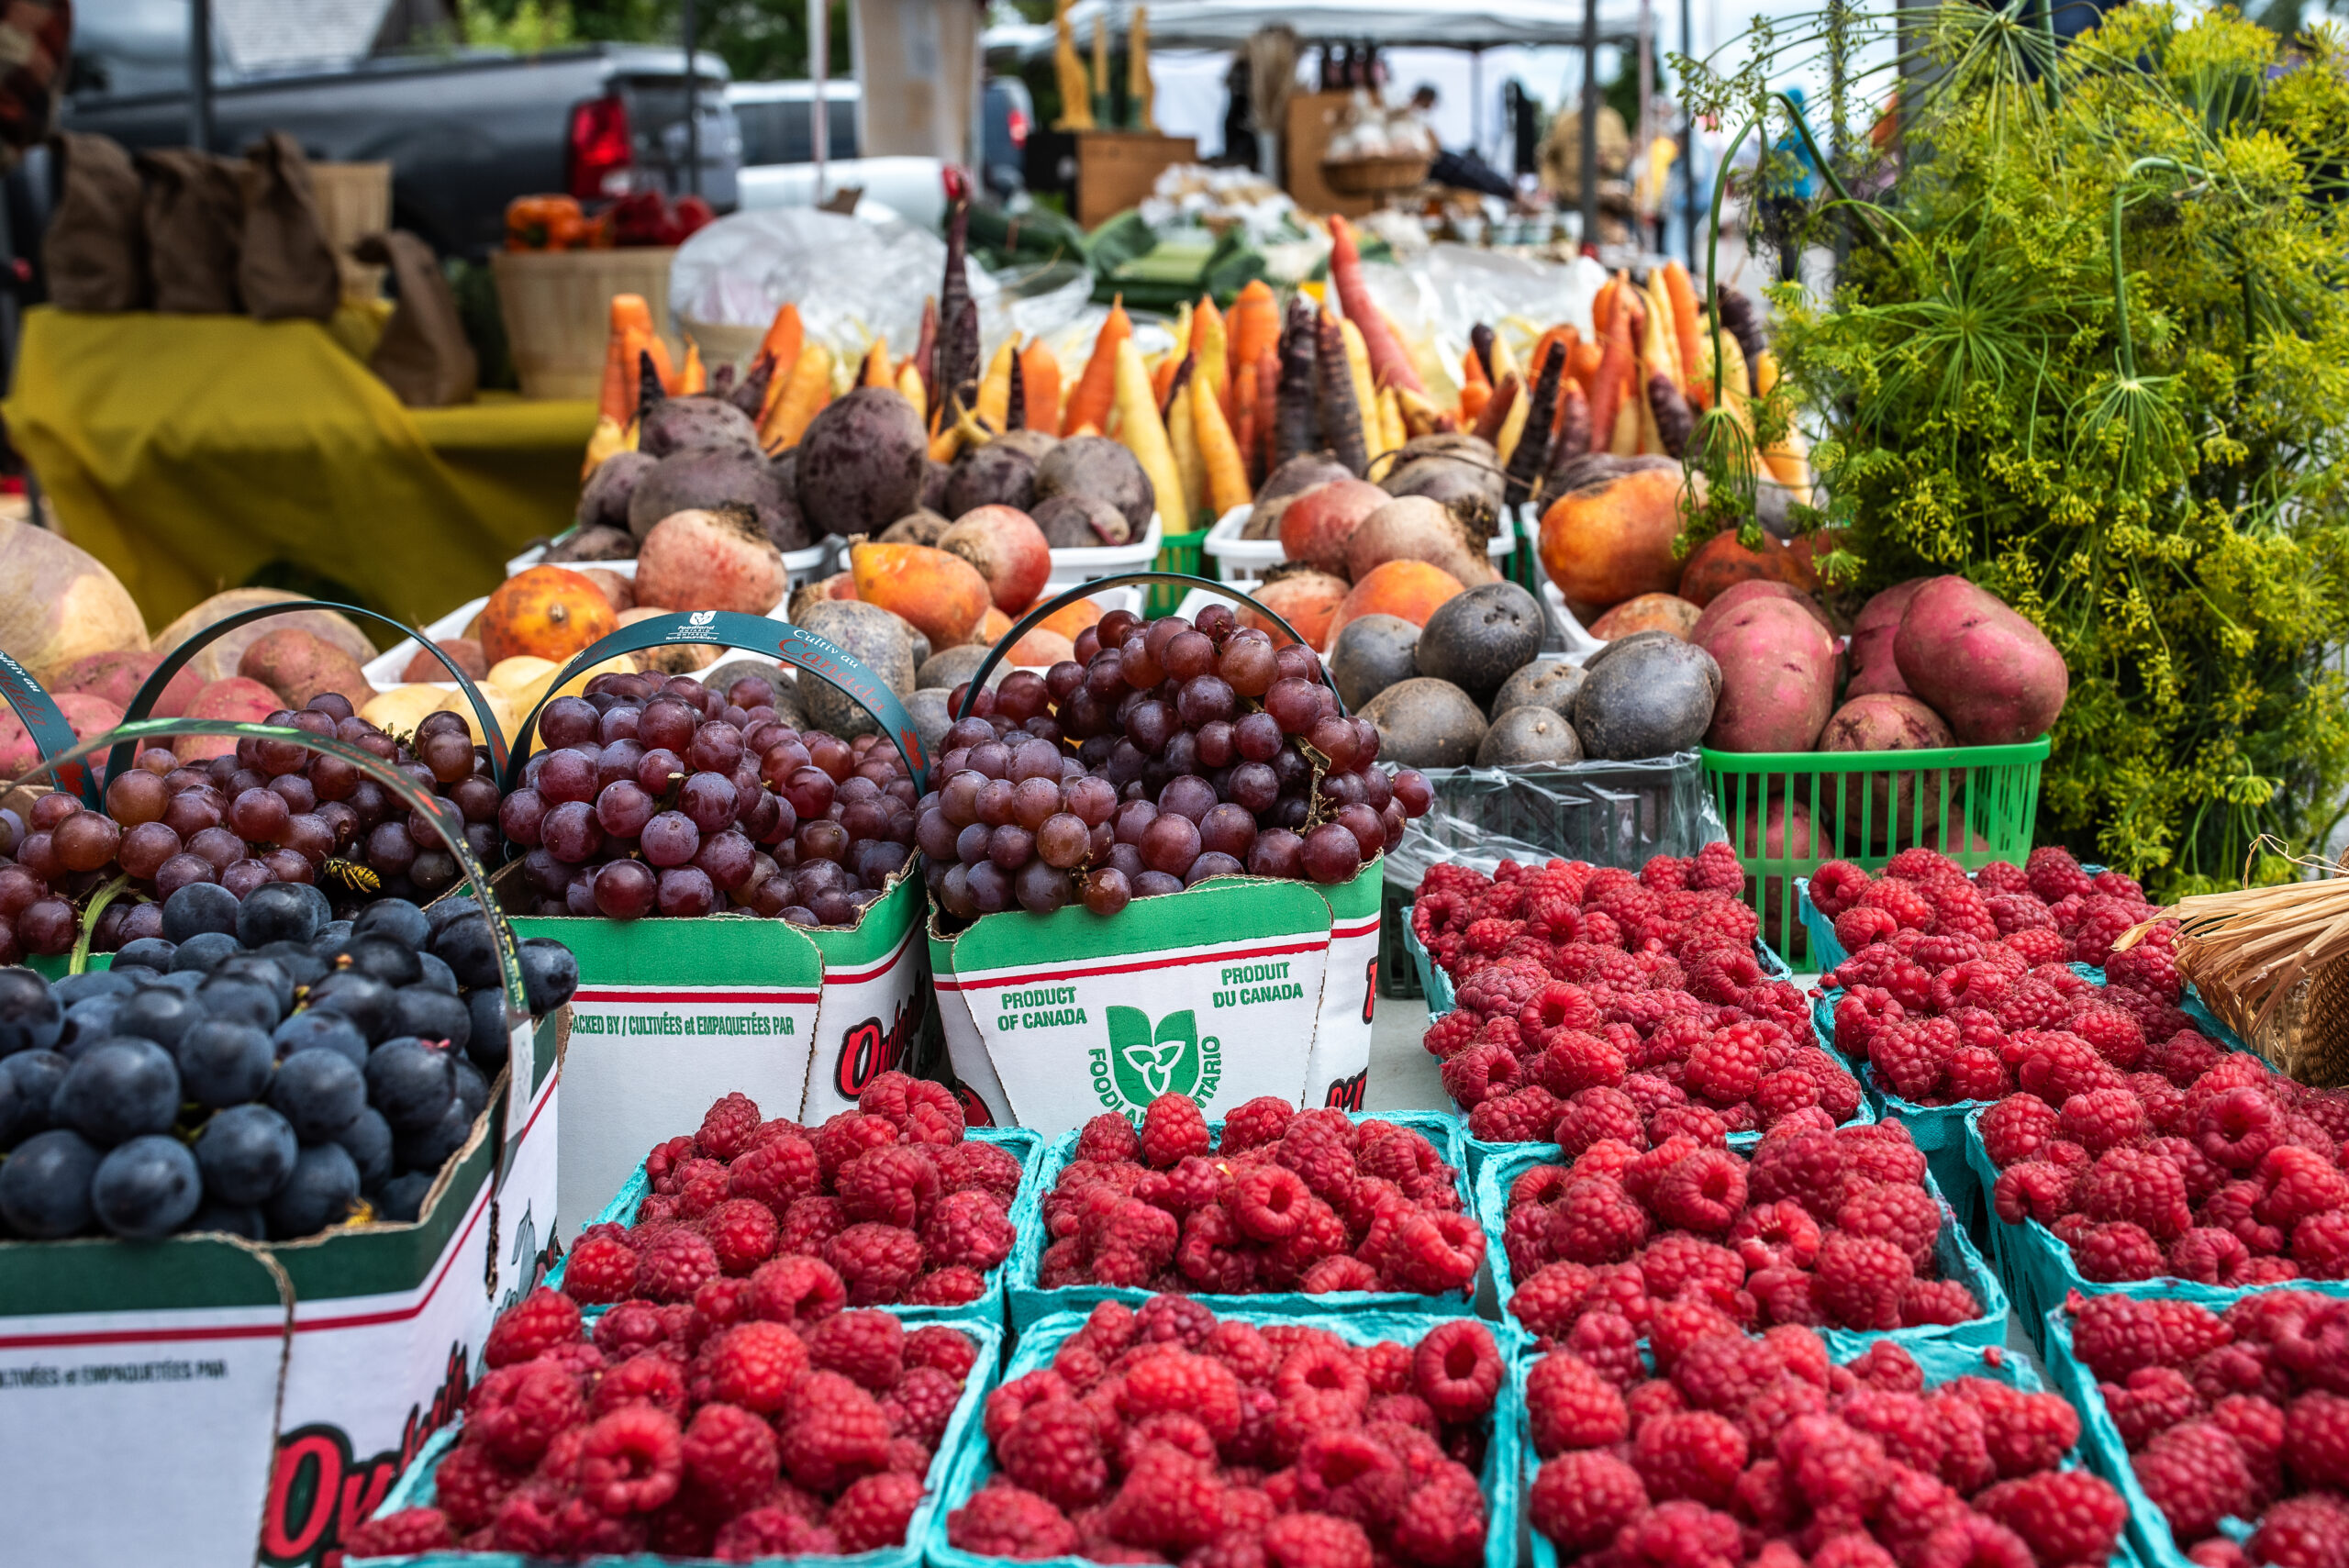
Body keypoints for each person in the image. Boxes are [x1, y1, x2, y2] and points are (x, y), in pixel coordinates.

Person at [1404, 82, 1516, 201]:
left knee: (1470, 166)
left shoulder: (1418, 117)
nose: (1432, 107)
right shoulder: (1406, 114)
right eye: (1431, 103)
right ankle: (1510, 191)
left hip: (1434, 158)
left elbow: (1434, 141)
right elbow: (1423, 144)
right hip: (1425, 164)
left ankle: (1509, 188)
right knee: (1466, 171)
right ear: (1423, 98)